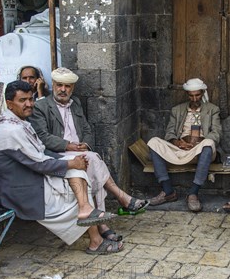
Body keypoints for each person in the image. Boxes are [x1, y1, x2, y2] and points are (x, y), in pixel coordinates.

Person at [0, 80, 121, 254]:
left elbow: (41, 152)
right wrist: (70, 162)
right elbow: (38, 163)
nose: (29, 104)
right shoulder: (10, 130)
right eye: (22, 100)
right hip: (19, 190)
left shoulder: (20, 123)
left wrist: (72, 160)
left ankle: (87, 214)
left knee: (79, 172)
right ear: (9, 104)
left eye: (30, 99)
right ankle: (94, 236)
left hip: (29, 178)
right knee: (76, 185)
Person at [29, 68, 148, 236]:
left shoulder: (75, 103)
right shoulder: (41, 106)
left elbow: (87, 128)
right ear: (54, 85)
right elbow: (43, 137)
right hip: (58, 154)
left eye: (68, 86)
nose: (63, 90)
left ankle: (104, 224)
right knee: (93, 159)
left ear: (73, 88)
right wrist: (68, 146)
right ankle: (120, 199)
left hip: (80, 152)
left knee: (92, 164)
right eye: (60, 85)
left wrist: (86, 144)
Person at [147, 78, 222, 212]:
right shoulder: (177, 110)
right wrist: (178, 142)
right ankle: (168, 191)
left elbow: (216, 133)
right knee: (153, 142)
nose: (194, 99)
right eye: (191, 95)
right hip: (180, 149)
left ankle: (193, 193)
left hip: (201, 151)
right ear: (187, 95)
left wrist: (198, 142)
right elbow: (169, 133)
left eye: (197, 95)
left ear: (203, 92)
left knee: (209, 143)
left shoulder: (212, 109)